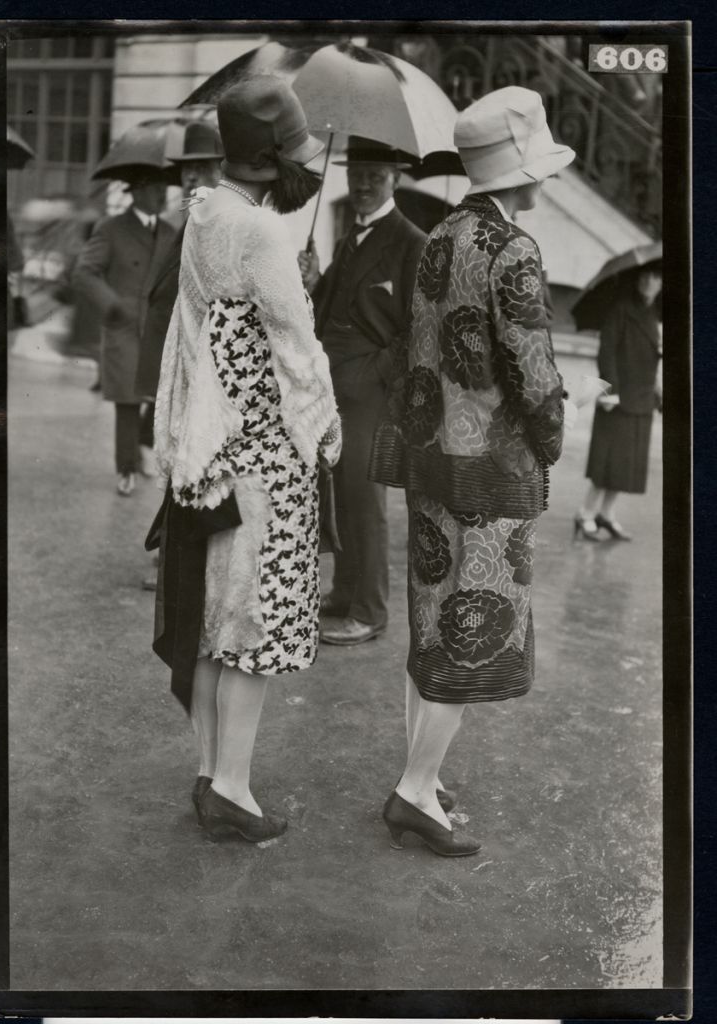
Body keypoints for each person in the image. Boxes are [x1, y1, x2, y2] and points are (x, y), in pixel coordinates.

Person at [369, 86, 574, 856]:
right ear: (520, 172)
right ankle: (415, 792)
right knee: (472, 630)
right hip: (489, 472)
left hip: (430, 459)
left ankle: (419, 775)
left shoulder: (439, 236)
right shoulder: (512, 249)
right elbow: (532, 371)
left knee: (434, 619)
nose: (544, 181)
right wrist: (550, 435)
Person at [152, 76, 340, 844]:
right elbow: (296, 346)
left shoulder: (205, 210)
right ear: (267, 160)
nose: (307, 166)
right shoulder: (261, 233)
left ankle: (210, 772)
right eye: (294, 152)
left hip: (210, 452)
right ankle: (231, 787)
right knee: (255, 630)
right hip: (263, 453)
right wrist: (325, 428)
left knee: (213, 623)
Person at [298, 136, 426, 646]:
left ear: (395, 178)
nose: (364, 184)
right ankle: (345, 590)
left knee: (365, 498)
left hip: (370, 392)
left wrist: (377, 371)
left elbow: (421, 327)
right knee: (339, 493)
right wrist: (310, 282)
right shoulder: (352, 235)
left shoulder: (411, 240)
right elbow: (329, 305)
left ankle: (371, 610)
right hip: (333, 386)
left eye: (376, 174)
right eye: (357, 175)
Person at [136, 118, 224, 591]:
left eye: (203, 168)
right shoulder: (189, 222)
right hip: (175, 367)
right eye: (187, 170)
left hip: (200, 368)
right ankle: (173, 552)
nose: (191, 178)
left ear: (220, 171)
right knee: (175, 463)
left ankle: (179, 559)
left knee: (191, 465)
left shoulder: (213, 225)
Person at [72, 170, 176, 496]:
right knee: (129, 401)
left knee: (157, 397)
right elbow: (84, 273)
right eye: (158, 188)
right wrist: (112, 305)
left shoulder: (172, 232)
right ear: (138, 191)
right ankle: (126, 468)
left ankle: (140, 448)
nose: (164, 195)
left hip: (159, 330)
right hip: (125, 327)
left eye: (165, 188)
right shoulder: (111, 228)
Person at [574, 261, 663, 542]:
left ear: (662, 283)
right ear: (637, 280)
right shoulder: (621, 309)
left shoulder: (656, 315)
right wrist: (609, 391)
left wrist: (658, 389)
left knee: (627, 465)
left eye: (656, 277)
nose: (650, 281)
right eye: (646, 275)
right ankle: (585, 513)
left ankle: (607, 515)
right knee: (608, 462)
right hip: (619, 397)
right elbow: (607, 352)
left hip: (643, 398)